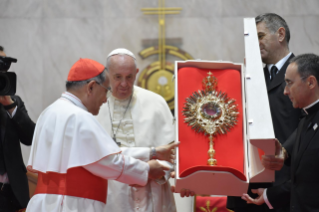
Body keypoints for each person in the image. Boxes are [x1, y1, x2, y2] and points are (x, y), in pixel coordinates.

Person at [26, 58, 176, 212]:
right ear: (91, 87)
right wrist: (146, 170)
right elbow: (108, 161)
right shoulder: (79, 116)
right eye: (106, 91)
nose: (105, 100)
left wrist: (151, 152)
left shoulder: (49, 112)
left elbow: (99, 153)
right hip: (73, 204)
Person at [227, 13, 301, 212]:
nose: (255, 43)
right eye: (252, 38)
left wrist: (284, 152)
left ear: (280, 34)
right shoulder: (250, 75)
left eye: (260, 36)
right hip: (247, 185)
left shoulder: (304, 71)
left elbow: (308, 122)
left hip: (284, 185)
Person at [96, 48, 177, 212]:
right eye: (117, 77)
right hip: (111, 194)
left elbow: (172, 151)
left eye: (129, 77)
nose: (124, 84)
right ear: (107, 73)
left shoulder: (156, 103)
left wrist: (158, 171)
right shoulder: (95, 106)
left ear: (137, 73)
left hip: (152, 191)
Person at [242, 53, 319, 212]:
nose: (285, 91)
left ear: (311, 82)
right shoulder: (304, 121)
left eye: (289, 83)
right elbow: (300, 182)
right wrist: (269, 195)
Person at [0, 46, 36, 212]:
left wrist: (11, 106)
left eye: (4, 66)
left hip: (13, 191)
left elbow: (30, 138)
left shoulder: (15, 101)